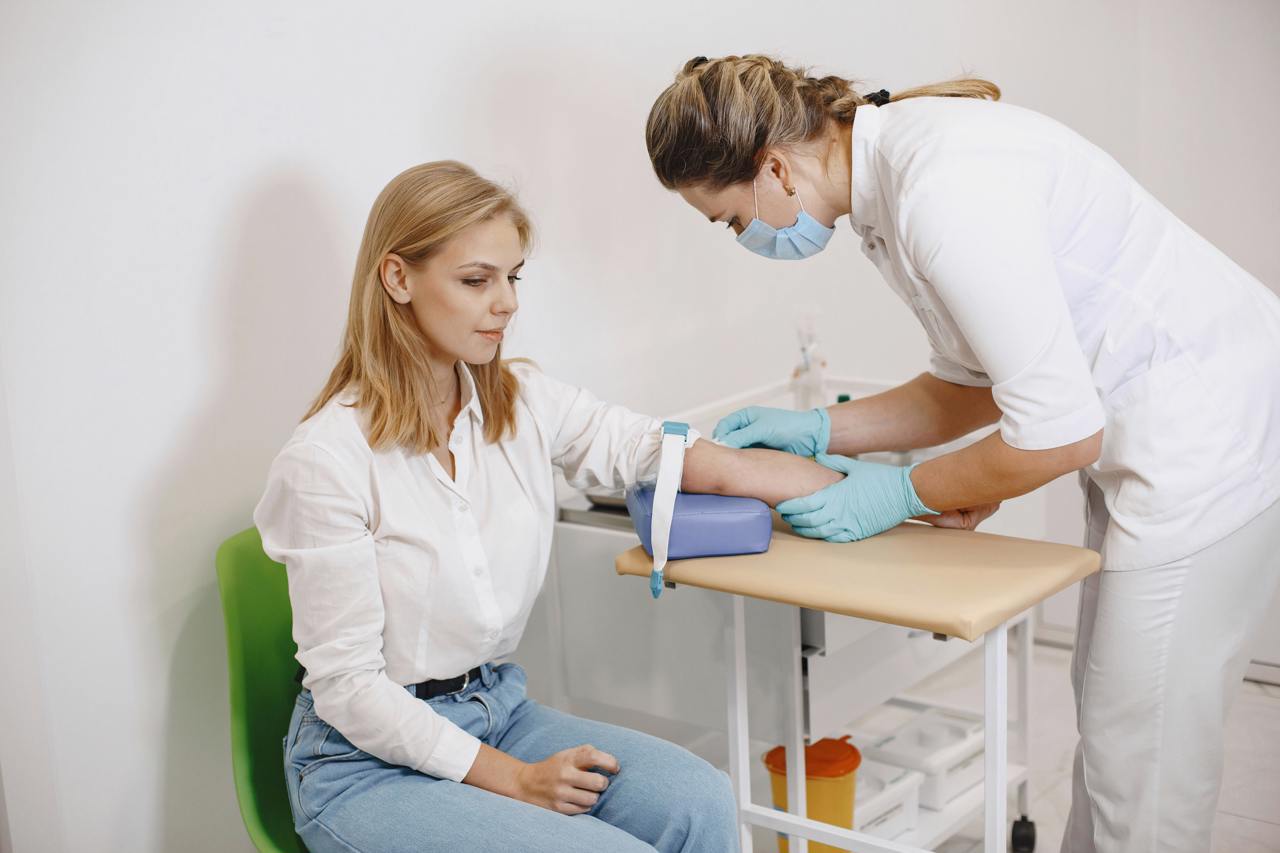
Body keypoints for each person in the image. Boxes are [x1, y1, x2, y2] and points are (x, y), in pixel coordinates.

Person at [644, 54, 1280, 853]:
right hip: (1158, 432)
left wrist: (899, 492)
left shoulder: (942, 191)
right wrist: (821, 431)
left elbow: (1058, 433)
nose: (745, 237)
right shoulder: (892, 183)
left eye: (732, 219)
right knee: (1112, 721)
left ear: (773, 168)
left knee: (1143, 754)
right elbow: (973, 382)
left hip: (1209, 440)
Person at [253, 160, 843, 853]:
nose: (506, 303)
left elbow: (641, 445)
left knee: (700, 799)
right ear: (398, 278)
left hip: (495, 711)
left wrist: (837, 487)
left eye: (513, 277)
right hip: (362, 764)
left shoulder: (520, 402)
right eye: (477, 280)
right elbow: (350, 690)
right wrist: (515, 779)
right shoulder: (327, 460)